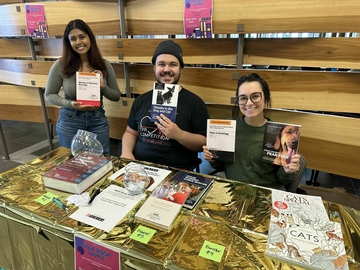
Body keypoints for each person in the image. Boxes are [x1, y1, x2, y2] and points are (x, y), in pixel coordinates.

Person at [120, 40, 209, 169]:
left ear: (181, 68)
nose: (167, 69)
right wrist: (126, 152)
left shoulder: (195, 103)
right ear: (154, 67)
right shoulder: (141, 100)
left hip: (179, 170)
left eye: (173, 64)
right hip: (140, 167)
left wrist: (179, 134)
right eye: (161, 64)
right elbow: (131, 132)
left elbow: (203, 143)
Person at [203, 73, 300, 190]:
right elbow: (219, 165)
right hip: (233, 190)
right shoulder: (227, 128)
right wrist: (212, 158)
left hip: (265, 193)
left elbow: (281, 180)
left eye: (255, 96)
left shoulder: (279, 134)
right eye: (243, 98)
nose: (249, 103)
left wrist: (287, 170)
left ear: (266, 97)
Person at [45, 19, 121, 156]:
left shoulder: (104, 65)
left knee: (101, 162)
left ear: (89, 37)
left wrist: (103, 87)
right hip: (70, 120)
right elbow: (49, 94)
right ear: (68, 43)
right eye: (73, 39)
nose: (78, 42)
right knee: (72, 164)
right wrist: (70, 104)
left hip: (97, 120)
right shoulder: (60, 65)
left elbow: (116, 96)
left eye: (82, 37)